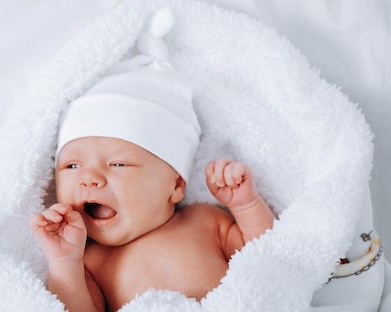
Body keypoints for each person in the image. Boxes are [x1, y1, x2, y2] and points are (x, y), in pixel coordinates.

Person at [29, 10, 275, 312]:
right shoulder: (88, 261)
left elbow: (266, 258)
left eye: (118, 164)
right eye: (71, 166)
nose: (89, 178)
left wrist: (246, 206)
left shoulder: (206, 222)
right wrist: (63, 263)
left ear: (175, 185)